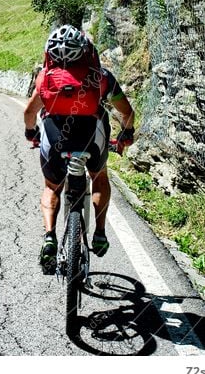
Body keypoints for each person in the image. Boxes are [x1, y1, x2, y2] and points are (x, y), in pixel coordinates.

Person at [23, 24, 135, 274]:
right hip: (91, 138)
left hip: (55, 138)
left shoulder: (44, 78)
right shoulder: (102, 77)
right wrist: (125, 135)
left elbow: (29, 113)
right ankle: (101, 233)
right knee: (99, 176)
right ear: (85, 50)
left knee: (52, 187)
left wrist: (31, 133)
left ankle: (50, 236)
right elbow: (126, 112)